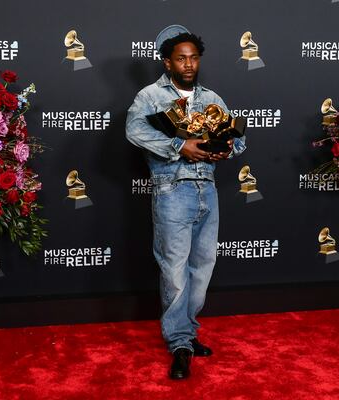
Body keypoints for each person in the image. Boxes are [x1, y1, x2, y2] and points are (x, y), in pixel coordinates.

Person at [125, 26, 246, 380]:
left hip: (207, 189)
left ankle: (188, 334)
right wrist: (180, 146)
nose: (189, 64)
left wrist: (225, 147)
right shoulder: (150, 96)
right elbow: (134, 130)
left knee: (203, 267)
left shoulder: (212, 98)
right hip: (171, 190)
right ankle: (179, 343)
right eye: (181, 58)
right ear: (168, 62)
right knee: (175, 270)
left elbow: (239, 141)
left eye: (193, 57)